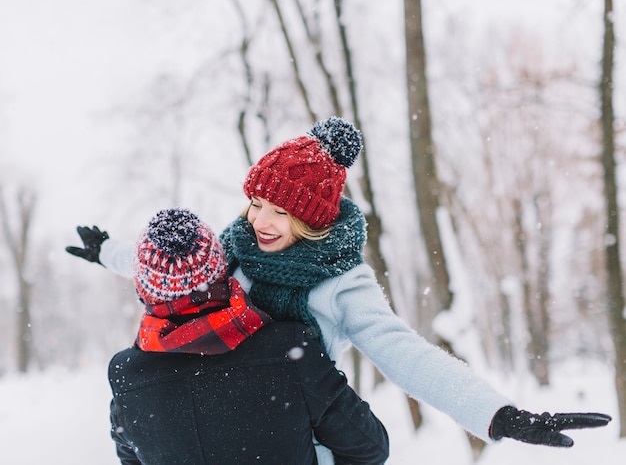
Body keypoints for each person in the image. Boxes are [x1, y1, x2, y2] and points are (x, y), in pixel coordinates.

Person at [69, 117, 611, 463]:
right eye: (256, 202)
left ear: (311, 220)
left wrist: (500, 415)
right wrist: (108, 251)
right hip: (222, 419)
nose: (261, 219)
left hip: (291, 429)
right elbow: (174, 270)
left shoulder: (342, 286)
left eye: (281, 211)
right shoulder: (235, 245)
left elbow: (407, 356)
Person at [107, 207, 390, 465]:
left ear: (144, 292)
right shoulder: (289, 348)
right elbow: (369, 448)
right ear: (219, 268)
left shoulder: (127, 376)